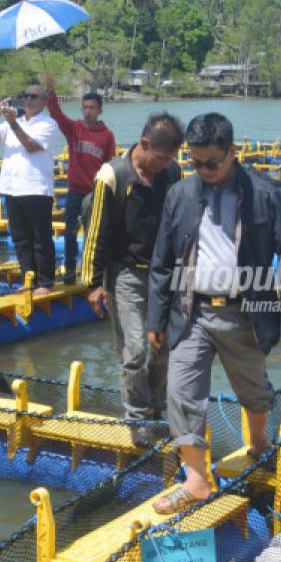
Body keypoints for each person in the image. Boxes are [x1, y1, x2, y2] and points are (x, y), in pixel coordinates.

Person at [146, 112, 281, 514]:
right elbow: (162, 260)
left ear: (233, 152)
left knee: (252, 387)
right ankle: (197, 481)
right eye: (195, 162)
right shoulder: (180, 194)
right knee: (180, 391)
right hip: (191, 311)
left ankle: (258, 442)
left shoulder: (264, 194)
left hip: (245, 312)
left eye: (212, 163)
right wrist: (155, 317)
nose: (203, 170)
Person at [82, 112, 185, 447]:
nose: (166, 162)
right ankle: (138, 419)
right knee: (135, 350)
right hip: (125, 273)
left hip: (163, 274)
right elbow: (95, 231)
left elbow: (179, 224)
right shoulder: (113, 175)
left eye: (171, 157)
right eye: (162, 156)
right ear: (144, 145)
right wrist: (94, 283)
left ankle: (158, 411)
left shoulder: (172, 173)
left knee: (164, 348)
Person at [0, 83, 61, 294]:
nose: (28, 99)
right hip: (12, 186)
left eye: (33, 96)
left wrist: (12, 124)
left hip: (36, 188)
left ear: (44, 102)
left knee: (41, 238)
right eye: (25, 96)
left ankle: (45, 282)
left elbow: (30, 145)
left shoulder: (48, 124)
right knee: (20, 238)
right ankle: (29, 279)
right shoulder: (14, 121)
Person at [45, 76, 116, 284]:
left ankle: (93, 273)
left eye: (92, 108)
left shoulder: (107, 136)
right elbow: (56, 115)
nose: (88, 111)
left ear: (100, 110)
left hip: (95, 193)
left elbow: (110, 166)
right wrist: (51, 93)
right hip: (75, 192)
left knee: (94, 235)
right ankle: (69, 271)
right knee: (69, 232)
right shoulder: (74, 128)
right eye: (85, 107)